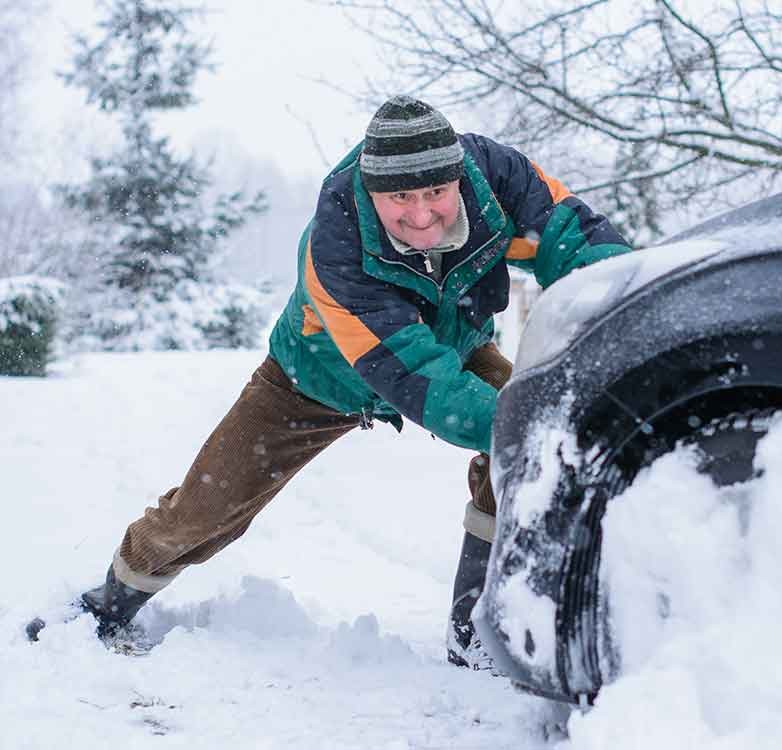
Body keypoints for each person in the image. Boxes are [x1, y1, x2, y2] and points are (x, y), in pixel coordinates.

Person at [32, 95, 632, 668]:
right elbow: (420, 379)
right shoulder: (337, 245)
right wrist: (528, 425)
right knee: (207, 508)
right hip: (313, 380)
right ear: (371, 193)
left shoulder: (498, 180)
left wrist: (633, 325)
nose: (422, 214)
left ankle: (475, 630)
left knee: (528, 441)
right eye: (400, 197)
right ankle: (108, 604)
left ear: (459, 178)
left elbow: (579, 244)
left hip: (458, 348)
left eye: (435, 192)